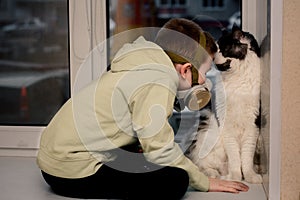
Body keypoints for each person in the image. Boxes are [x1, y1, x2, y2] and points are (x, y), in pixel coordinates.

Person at [37, 18, 249, 200]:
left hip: (55, 158)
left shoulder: (143, 64)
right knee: (176, 180)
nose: (205, 82)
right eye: (205, 73)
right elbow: (160, 151)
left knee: (147, 153)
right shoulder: (158, 81)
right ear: (185, 70)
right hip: (69, 170)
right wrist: (203, 181)